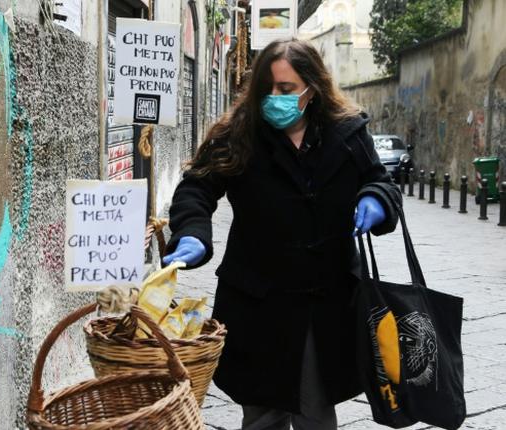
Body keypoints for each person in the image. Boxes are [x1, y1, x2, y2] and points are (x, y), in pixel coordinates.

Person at [162, 39, 401, 430]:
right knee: (262, 414)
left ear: (312, 88)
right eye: (267, 89)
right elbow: (197, 187)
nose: (275, 97)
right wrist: (192, 233)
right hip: (258, 304)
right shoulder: (237, 135)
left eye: (286, 89)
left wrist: (376, 198)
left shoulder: (348, 134)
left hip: (327, 302)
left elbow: (380, 181)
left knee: (317, 412)